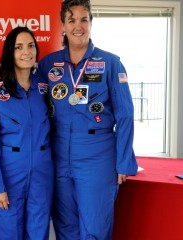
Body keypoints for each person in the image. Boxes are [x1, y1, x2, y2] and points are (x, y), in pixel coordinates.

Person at [35, 0, 138, 239]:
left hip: (97, 156)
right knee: (65, 226)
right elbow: (29, 95)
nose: (78, 26)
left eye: (84, 19)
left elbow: (125, 115)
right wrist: (1, 80)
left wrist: (124, 161)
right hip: (58, 155)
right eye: (71, 20)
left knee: (94, 228)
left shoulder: (110, 63)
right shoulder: (48, 64)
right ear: (62, 25)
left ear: (91, 23)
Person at [0, 26, 54, 240]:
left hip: (42, 174)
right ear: (10, 52)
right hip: (8, 175)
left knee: (39, 233)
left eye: (31, 46)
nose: (26, 52)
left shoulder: (45, 86)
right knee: (7, 233)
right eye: (19, 47)